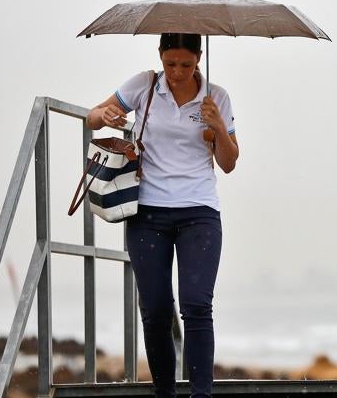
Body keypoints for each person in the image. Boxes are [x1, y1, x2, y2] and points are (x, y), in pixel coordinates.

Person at [87, 32, 239, 397]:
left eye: (185, 65)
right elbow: (94, 117)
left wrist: (218, 126)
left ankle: (201, 395)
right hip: (147, 213)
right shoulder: (144, 86)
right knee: (155, 309)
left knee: (196, 304)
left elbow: (229, 164)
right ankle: (164, 394)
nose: (177, 72)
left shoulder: (217, 97)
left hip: (199, 213)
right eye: (170, 64)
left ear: (198, 59)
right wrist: (105, 115)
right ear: (160, 56)